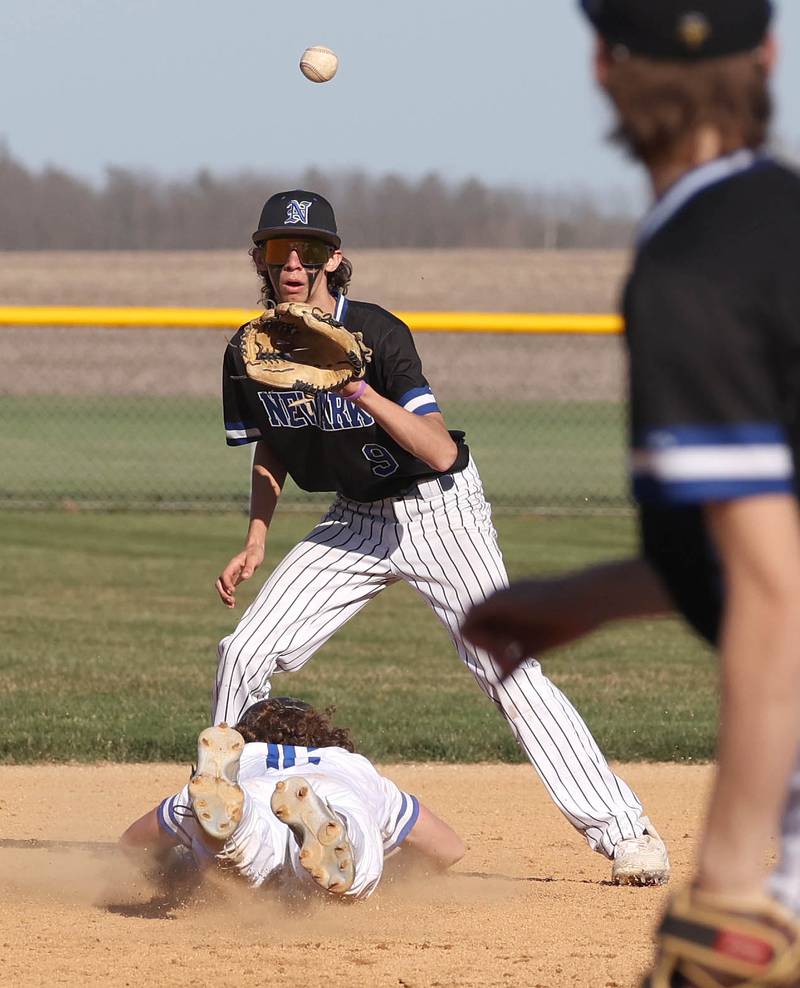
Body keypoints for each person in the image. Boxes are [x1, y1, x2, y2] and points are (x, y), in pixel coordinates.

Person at [463, 1, 800, 983]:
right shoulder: (776, 224)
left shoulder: (689, 269)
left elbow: (773, 591)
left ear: (603, 67)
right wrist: (591, 598)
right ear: (768, 56)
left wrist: (731, 890)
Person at [211, 188, 669, 886]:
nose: (293, 264)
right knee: (242, 653)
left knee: (505, 666)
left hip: (439, 515)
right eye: (278, 251)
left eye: (308, 252)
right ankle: (216, 824)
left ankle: (625, 833)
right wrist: (255, 536)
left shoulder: (378, 335)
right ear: (259, 259)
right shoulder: (249, 350)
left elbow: (440, 451)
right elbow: (271, 445)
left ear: (335, 259)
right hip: (355, 521)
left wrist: (359, 389)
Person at [120, 697, 464, 898]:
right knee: (356, 850)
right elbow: (449, 848)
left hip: (253, 791)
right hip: (335, 790)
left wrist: (178, 873)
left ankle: (234, 828)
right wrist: (397, 873)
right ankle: (339, 830)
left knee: (250, 848)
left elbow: (133, 844)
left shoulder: (249, 759)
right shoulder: (349, 764)